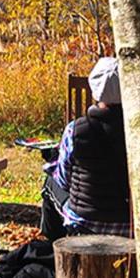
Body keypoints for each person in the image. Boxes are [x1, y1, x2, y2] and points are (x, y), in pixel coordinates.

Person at [40, 56, 131, 240]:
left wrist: (52, 161)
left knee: (50, 184)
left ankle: (50, 244)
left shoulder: (75, 130)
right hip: (130, 222)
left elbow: (63, 180)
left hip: (85, 223)